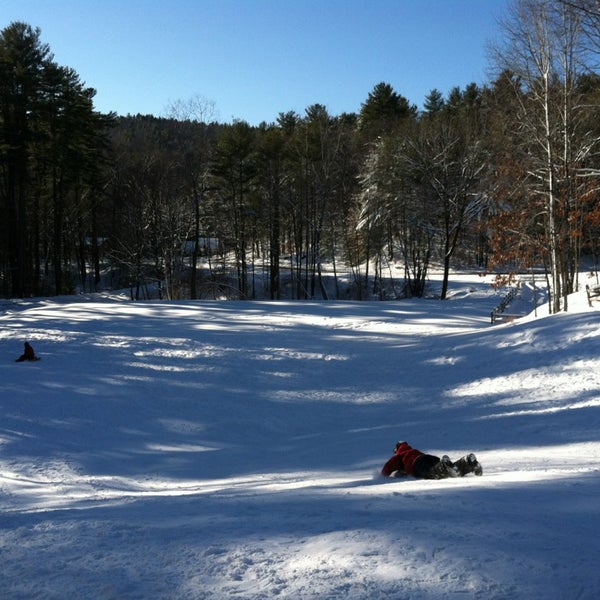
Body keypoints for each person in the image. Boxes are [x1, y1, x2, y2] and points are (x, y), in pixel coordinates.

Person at [381, 441, 482, 479]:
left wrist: (382, 475)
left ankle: (443, 466)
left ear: (397, 450)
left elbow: (389, 466)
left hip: (417, 464)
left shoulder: (400, 455)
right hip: (428, 458)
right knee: (453, 469)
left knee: (432, 472)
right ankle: (468, 462)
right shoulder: (412, 451)